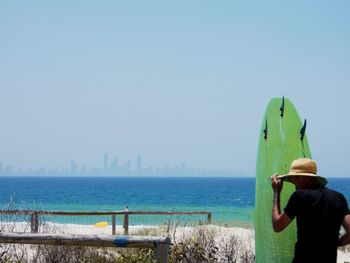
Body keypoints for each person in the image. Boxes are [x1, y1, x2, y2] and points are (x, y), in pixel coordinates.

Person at [271, 158, 350, 263]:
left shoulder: (299, 196)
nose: (293, 183)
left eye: (294, 178)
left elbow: (277, 225)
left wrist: (276, 193)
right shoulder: (338, 198)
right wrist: (334, 243)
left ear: (302, 178)